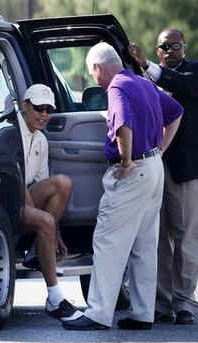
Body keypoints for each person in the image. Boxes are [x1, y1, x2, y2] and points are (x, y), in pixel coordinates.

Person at [62, 42, 183, 330]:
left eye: (92, 73)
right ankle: (143, 314)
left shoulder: (116, 87)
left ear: (97, 68)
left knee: (107, 241)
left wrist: (126, 160)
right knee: (144, 245)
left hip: (134, 171)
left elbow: (122, 125)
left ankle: (98, 313)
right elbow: (176, 112)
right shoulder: (141, 82)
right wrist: (160, 150)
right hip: (154, 167)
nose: (93, 79)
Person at [128, 28, 198, 324]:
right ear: (157, 51)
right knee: (156, 238)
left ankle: (184, 303)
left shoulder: (192, 71)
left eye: (175, 46)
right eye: (163, 47)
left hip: (184, 166)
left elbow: (180, 85)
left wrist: (145, 66)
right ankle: (161, 302)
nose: (169, 51)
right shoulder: (143, 77)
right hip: (151, 164)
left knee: (186, 237)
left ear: (184, 47)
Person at [4, 85, 82, 322]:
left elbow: (38, 184)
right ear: (25, 106)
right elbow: (17, 184)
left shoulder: (40, 139)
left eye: (49, 109)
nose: (45, 114)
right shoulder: (10, 131)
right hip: (4, 199)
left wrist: (53, 230)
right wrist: (47, 225)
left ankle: (40, 248)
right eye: (39, 108)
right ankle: (55, 298)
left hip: (22, 196)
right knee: (45, 221)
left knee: (63, 183)